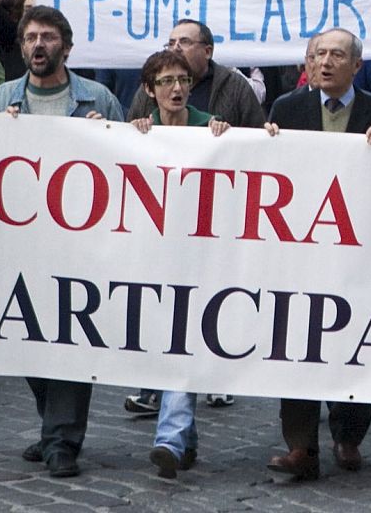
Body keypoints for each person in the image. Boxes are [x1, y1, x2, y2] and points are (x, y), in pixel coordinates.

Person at [0, 6, 123, 477]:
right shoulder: (2, 99)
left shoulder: (99, 98)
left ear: (66, 46)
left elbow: (127, 168)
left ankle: (61, 440)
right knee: (27, 335)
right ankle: (53, 427)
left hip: (79, 248)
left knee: (71, 336)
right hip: (21, 245)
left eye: (47, 37)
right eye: (29, 38)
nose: (37, 45)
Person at [265, 28, 371, 480]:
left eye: (336, 55)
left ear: (356, 66)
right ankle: (301, 446)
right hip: (299, 250)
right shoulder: (286, 110)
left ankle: (348, 435)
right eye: (318, 54)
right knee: (297, 344)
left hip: (356, 252)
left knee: (350, 340)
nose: (325, 62)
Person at [129, 48, 232, 480]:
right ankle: (183, 440)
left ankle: (169, 439)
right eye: (167, 81)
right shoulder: (140, 131)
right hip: (152, 259)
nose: (177, 89)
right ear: (150, 90)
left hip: (199, 259)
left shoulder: (211, 128)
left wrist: (229, 138)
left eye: (183, 81)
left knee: (181, 341)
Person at [126, 21, 265, 128]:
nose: (176, 48)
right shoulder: (152, 85)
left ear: (207, 52)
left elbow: (256, 137)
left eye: (184, 42)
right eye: (171, 43)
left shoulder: (235, 86)